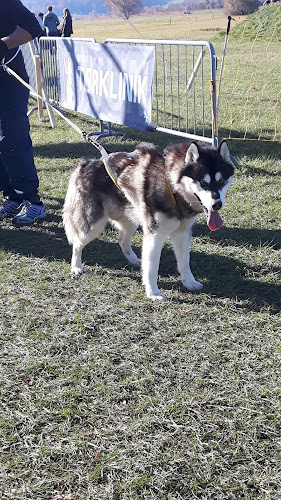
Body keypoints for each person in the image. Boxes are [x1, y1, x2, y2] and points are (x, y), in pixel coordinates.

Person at [0, 0, 47, 226]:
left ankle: (34, 202)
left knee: (13, 139)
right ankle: (12, 197)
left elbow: (33, 26)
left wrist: (4, 44)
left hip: (10, 81)